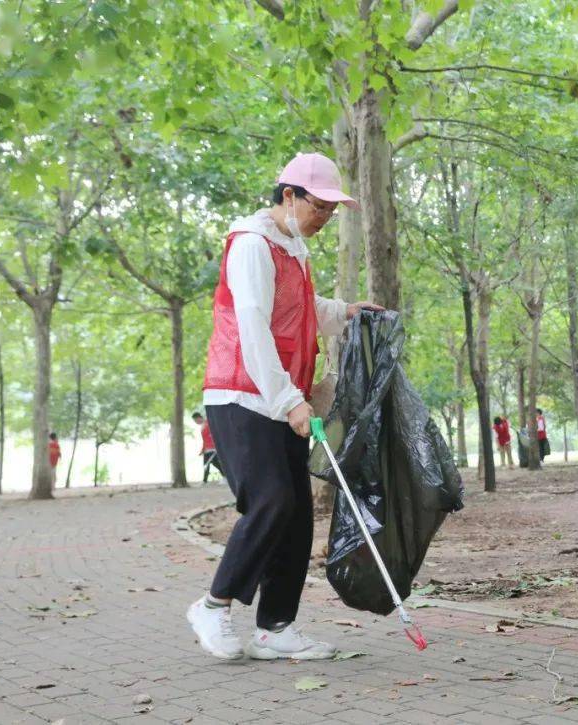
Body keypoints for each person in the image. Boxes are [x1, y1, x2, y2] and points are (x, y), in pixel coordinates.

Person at [189, 152, 383, 661]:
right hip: (242, 395)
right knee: (272, 500)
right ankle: (213, 605)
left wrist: (345, 311)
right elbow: (253, 326)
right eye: (319, 207)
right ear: (289, 196)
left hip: (283, 397)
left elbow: (301, 310)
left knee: (296, 515)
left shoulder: (292, 246)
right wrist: (288, 401)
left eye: (331, 211)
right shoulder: (253, 245)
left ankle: (275, 627)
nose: (324, 218)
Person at [192, 412, 223, 483]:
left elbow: (214, 435)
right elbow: (204, 440)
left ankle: (225, 477)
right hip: (206, 449)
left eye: (196, 420)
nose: (196, 422)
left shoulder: (208, 424)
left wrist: (216, 446)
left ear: (199, 418)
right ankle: (205, 480)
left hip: (213, 448)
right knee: (206, 464)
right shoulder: (202, 426)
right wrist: (202, 450)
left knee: (215, 463)